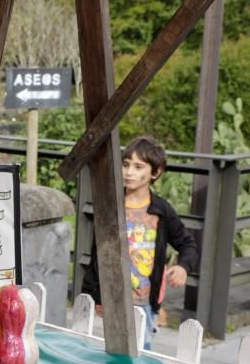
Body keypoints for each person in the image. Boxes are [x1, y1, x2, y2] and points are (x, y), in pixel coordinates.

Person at [81, 135, 198, 350]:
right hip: (113, 297)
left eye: (138, 166)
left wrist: (183, 266)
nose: (129, 172)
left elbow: (187, 244)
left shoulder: (161, 210)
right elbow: (97, 254)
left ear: (156, 172)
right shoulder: (111, 207)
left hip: (144, 303)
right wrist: (95, 295)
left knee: (141, 354)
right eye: (126, 165)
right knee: (110, 353)